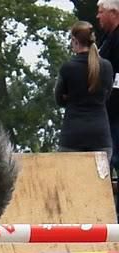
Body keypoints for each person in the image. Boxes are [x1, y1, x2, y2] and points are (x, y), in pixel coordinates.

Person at [55, 21, 113, 160]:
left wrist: (69, 99)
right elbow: (107, 95)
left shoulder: (68, 68)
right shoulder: (106, 67)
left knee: (69, 180)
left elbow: (58, 98)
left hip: (72, 135)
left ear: (74, 40)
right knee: (99, 181)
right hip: (100, 135)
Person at [98, 0, 119, 175]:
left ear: (113, 13)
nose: (98, 16)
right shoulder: (106, 39)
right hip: (107, 112)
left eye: (101, 11)